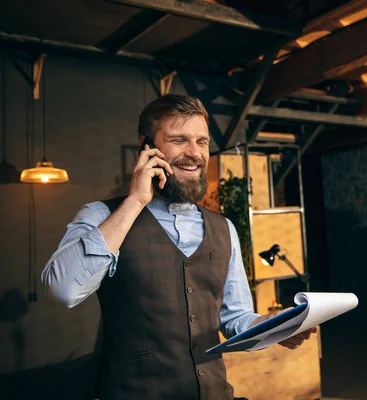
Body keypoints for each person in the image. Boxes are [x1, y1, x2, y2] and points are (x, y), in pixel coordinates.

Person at [41, 94, 315, 400]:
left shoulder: (224, 228)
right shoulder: (101, 216)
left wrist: (275, 326)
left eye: (201, 141)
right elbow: (63, 290)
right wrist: (135, 201)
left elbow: (235, 319)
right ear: (146, 147)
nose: (194, 153)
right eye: (178, 140)